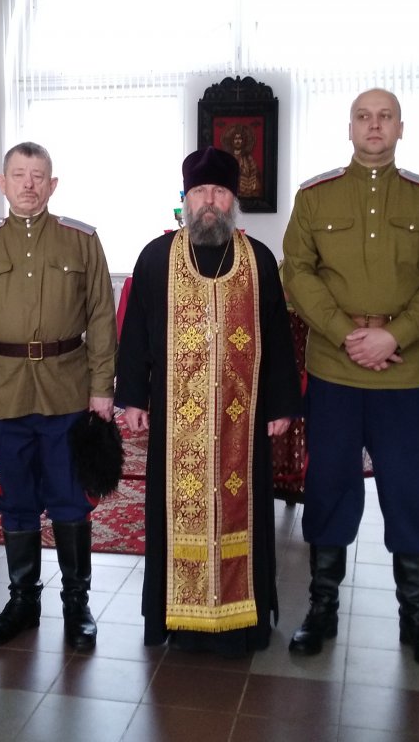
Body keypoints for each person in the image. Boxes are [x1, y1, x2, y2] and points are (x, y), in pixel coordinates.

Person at [281, 88, 419, 669]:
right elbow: (298, 273)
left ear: (400, 128)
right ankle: (321, 608)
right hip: (334, 370)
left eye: (385, 117)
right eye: (364, 117)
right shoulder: (315, 196)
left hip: (404, 371)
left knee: (409, 491)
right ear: (350, 128)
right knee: (329, 484)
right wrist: (345, 334)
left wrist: (396, 334)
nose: (374, 125)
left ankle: (416, 617)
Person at [116, 147, 300, 655]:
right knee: (173, 513)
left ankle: (244, 622)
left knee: (247, 511)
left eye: (219, 192)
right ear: (186, 198)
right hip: (175, 422)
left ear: (233, 200)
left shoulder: (258, 259)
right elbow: (135, 332)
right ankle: (177, 620)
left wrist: (282, 404)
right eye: (200, 192)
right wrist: (132, 397)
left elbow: (278, 338)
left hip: (245, 418)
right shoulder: (157, 257)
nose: (210, 202)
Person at [0, 141, 116, 649]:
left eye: (38, 175)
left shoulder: (81, 240)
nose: (28, 184)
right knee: (17, 497)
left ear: (52, 184)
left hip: (67, 386)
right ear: (2, 183)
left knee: (69, 497)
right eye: (18, 175)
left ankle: (76, 603)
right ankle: (23, 601)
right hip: (2, 388)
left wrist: (101, 388)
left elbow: (101, 317)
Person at [221, 122, 261, 199]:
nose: (238, 141)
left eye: (240, 139)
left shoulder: (248, 158)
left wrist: (249, 179)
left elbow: (254, 172)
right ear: (232, 141)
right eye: (235, 139)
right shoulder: (227, 158)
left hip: (246, 186)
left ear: (243, 141)